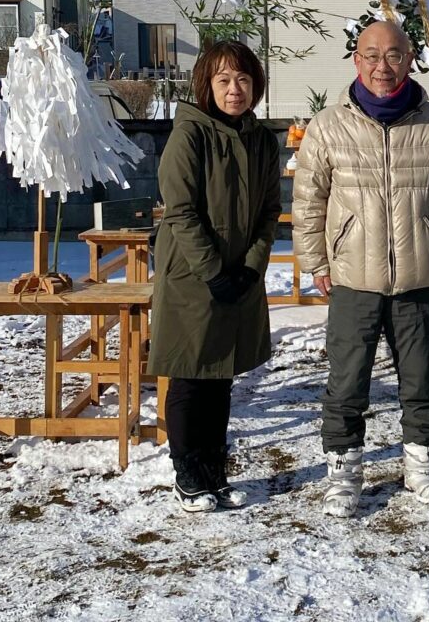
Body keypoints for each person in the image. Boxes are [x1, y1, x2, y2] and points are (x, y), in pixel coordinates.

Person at [293, 20, 429, 518]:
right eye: (371, 55)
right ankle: (344, 470)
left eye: (393, 56)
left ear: (409, 59)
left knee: (421, 377)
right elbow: (309, 200)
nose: (382, 67)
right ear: (356, 60)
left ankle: (420, 463)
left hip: (418, 272)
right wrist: (314, 260)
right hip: (353, 275)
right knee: (347, 379)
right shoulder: (330, 125)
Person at [147, 41, 281, 513]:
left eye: (243, 79)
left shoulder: (261, 139)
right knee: (190, 374)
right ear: (206, 83)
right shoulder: (190, 135)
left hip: (239, 274)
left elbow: (269, 212)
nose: (234, 89)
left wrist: (250, 266)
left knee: (221, 376)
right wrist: (213, 271)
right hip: (191, 275)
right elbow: (180, 213)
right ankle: (187, 471)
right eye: (223, 80)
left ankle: (213, 468)